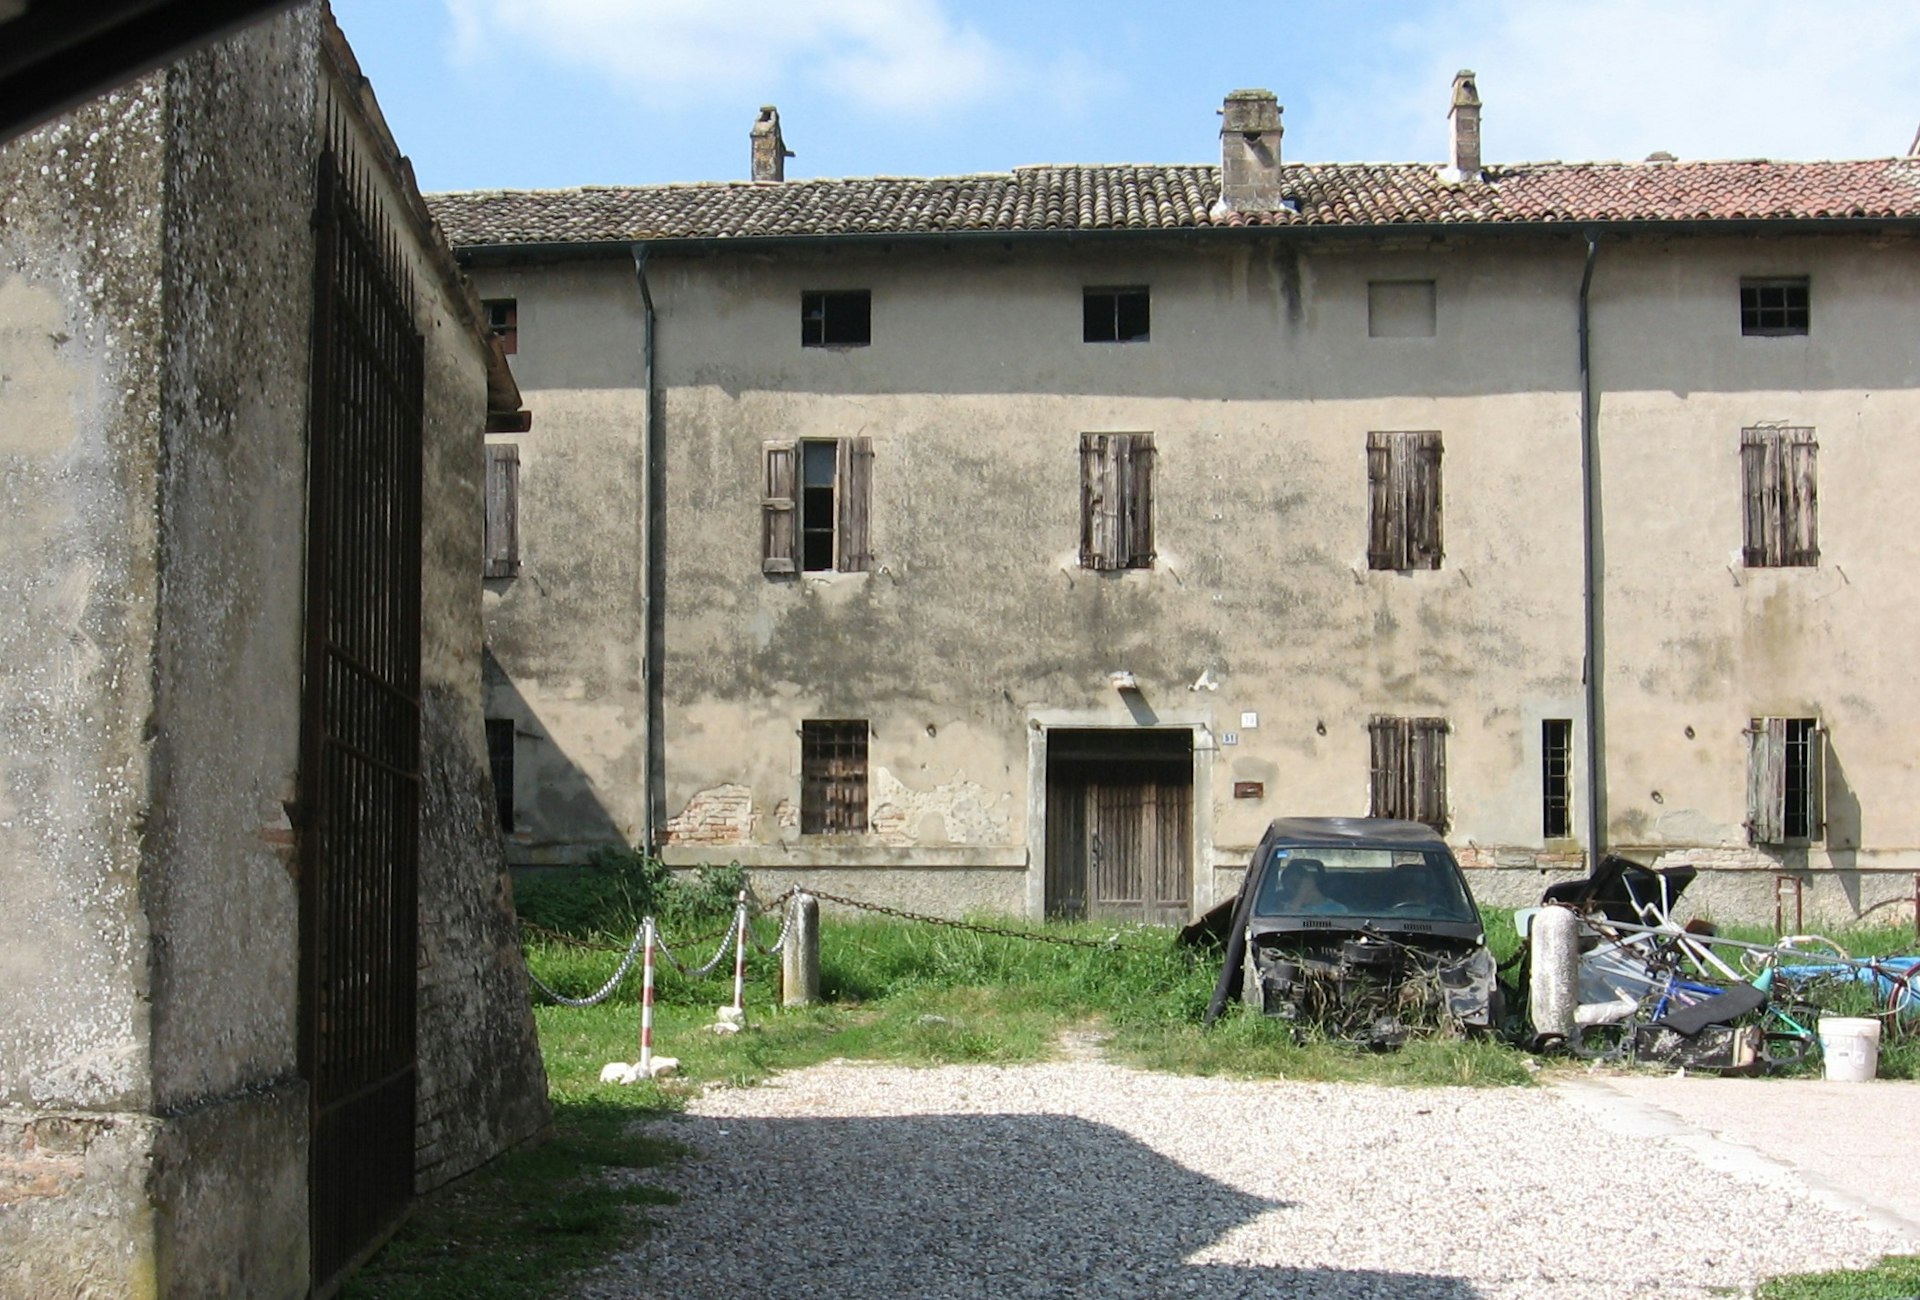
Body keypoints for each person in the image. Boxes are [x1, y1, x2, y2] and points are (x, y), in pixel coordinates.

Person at [1276, 858, 1347, 914]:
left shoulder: (1338, 909)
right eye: (1288, 889)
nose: (1295, 891)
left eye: (1297, 885)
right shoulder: (1287, 909)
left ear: (1310, 883)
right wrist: (1298, 900)